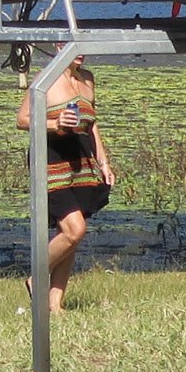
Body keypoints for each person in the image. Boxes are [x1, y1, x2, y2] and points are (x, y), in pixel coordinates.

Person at [15, 52, 113, 312]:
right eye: (72, 46)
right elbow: (22, 120)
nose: (79, 53)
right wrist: (54, 122)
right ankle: (36, 278)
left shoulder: (88, 79)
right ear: (60, 46)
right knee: (74, 229)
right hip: (51, 158)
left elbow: (92, 124)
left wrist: (104, 162)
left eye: (83, 46)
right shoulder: (46, 79)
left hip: (81, 159)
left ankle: (55, 304)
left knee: (70, 235)